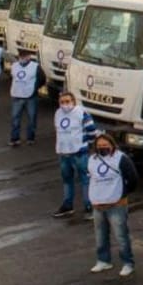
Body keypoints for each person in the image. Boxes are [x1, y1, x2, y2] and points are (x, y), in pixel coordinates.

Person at [87, 133, 138, 277]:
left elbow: (133, 178)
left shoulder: (121, 158)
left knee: (121, 236)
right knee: (100, 236)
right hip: (98, 205)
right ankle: (103, 260)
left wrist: (122, 194)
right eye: (99, 146)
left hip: (117, 204)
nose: (102, 148)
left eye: (105, 145)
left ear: (112, 145)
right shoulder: (92, 160)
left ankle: (128, 263)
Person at [53, 91, 97, 219]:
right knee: (67, 180)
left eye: (67, 101)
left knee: (85, 180)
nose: (65, 104)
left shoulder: (81, 113)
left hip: (79, 152)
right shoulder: (58, 113)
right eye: (62, 102)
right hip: (64, 153)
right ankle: (68, 205)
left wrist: (87, 144)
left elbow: (92, 131)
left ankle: (89, 207)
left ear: (73, 101)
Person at [9, 49, 45, 146]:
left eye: (24, 56)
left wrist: (34, 88)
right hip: (17, 95)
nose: (22, 58)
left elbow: (42, 79)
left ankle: (30, 138)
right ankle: (15, 138)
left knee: (32, 118)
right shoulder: (14, 66)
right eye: (21, 56)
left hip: (30, 96)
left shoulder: (35, 67)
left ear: (29, 57)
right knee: (15, 118)